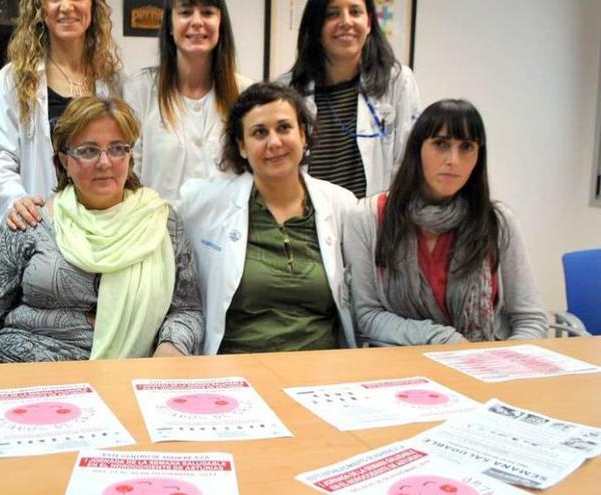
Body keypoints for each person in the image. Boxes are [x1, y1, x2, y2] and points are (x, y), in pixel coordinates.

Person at [0, 96, 203, 363]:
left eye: (117, 148)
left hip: (116, 376)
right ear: (65, 160)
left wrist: (170, 348)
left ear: (130, 155)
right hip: (16, 367)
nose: (105, 162)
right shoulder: (32, 220)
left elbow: (186, 311)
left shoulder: (160, 222)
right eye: (89, 150)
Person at [343, 99, 548, 345]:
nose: (454, 160)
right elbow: (367, 316)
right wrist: (443, 339)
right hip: (402, 363)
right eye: (441, 144)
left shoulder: (497, 221)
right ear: (417, 149)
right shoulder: (367, 218)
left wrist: (507, 364)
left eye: (466, 147)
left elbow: (530, 320)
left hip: (484, 362)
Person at [178, 83, 357, 355]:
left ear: (304, 135)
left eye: (284, 128)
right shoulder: (204, 204)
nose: (274, 142)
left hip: (322, 374)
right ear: (242, 146)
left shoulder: (342, 205)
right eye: (259, 133)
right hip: (238, 372)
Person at [0, 0, 122, 230]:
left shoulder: (113, 80)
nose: (67, 6)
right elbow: (3, 160)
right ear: (39, 8)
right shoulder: (14, 79)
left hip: (103, 228)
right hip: (41, 224)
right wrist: (18, 203)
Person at [283, 0, 420, 198]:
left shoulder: (397, 81)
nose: (346, 22)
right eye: (332, 14)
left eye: (355, 12)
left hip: (374, 221)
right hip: (309, 222)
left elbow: (409, 165)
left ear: (369, 23)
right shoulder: (288, 90)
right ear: (316, 26)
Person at [123, 0, 250, 201]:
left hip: (223, 227)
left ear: (220, 24)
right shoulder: (140, 89)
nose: (197, 21)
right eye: (185, 12)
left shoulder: (244, 93)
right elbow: (128, 173)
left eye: (207, 12)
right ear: (170, 26)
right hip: (156, 226)